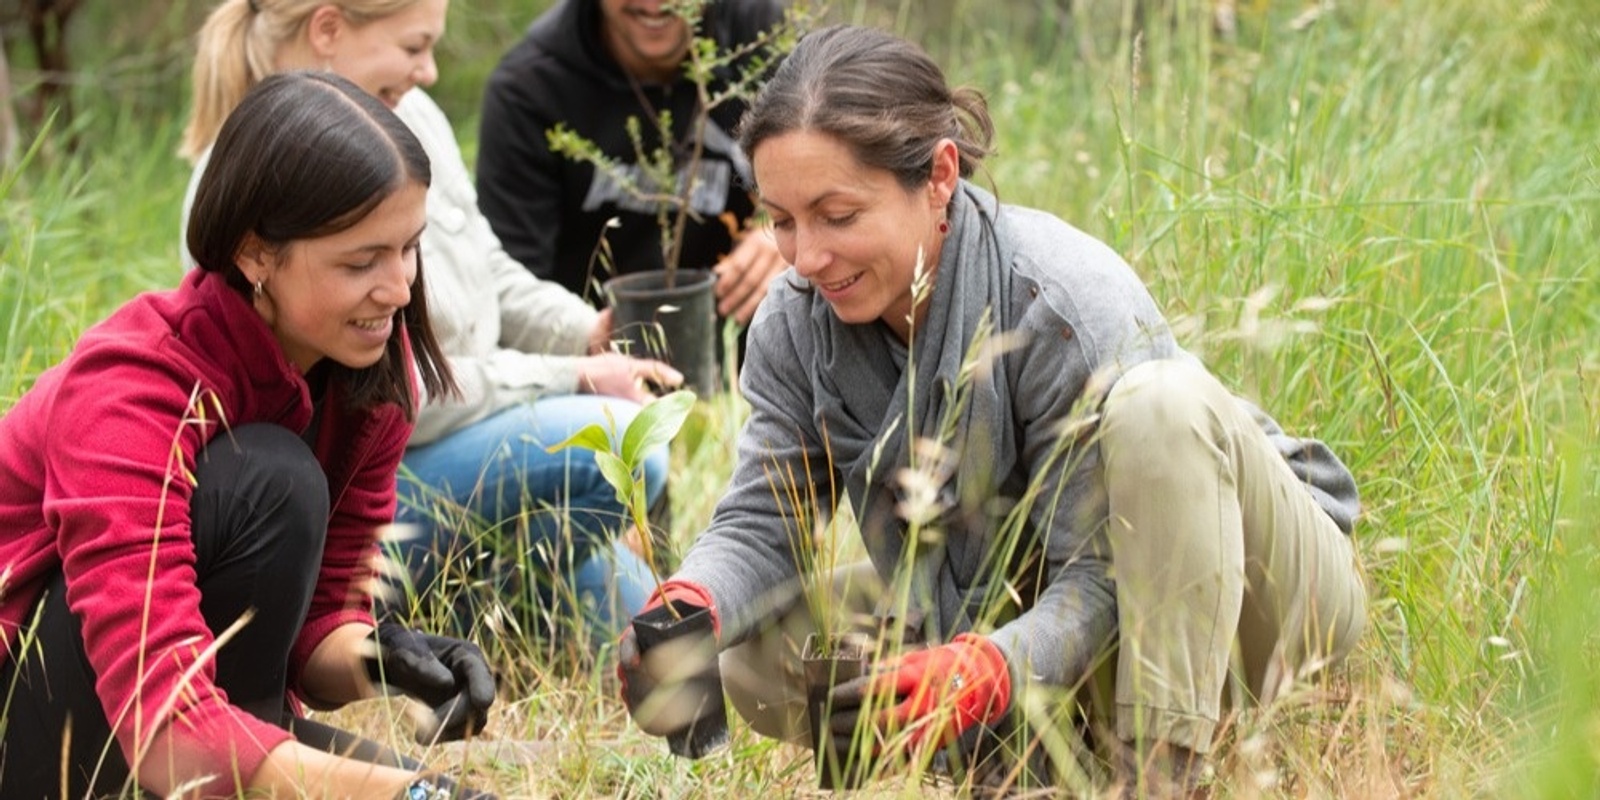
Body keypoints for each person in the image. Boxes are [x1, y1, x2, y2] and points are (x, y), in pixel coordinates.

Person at [617, 24, 1368, 797]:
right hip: (1017, 610)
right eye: (781, 220)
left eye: (838, 216)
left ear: (939, 175)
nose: (806, 256)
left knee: (1162, 403)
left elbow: (1111, 571)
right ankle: (1015, 751)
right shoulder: (793, 319)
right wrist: (690, 607)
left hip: (1250, 608)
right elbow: (762, 522)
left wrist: (988, 669)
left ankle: (1164, 769)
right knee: (756, 647)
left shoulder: (1060, 300)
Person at [0, 72, 495, 799]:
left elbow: (311, 638)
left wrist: (383, 659)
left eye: (408, 249)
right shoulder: (128, 391)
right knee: (270, 478)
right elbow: (167, 724)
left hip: (198, 718)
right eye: (361, 262)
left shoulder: (374, 387)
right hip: (40, 721)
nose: (397, 290)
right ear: (256, 254)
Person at [180, 0, 680, 644]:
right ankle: (394, 615)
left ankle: (482, 606)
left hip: (475, 433)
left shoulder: (408, 114)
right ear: (328, 30)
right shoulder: (251, 174)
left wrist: (586, 330)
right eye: (414, 46)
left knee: (652, 638)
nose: (431, 70)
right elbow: (396, 387)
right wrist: (570, 377)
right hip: (361, 487)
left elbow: (485, 262)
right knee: (620, 442)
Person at [475, 0, 791, 346]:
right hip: (596, 361)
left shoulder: (768, 40)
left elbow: (842, 179)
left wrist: (785, 223)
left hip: (758, 356)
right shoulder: (531, 88)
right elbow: (511, 287)